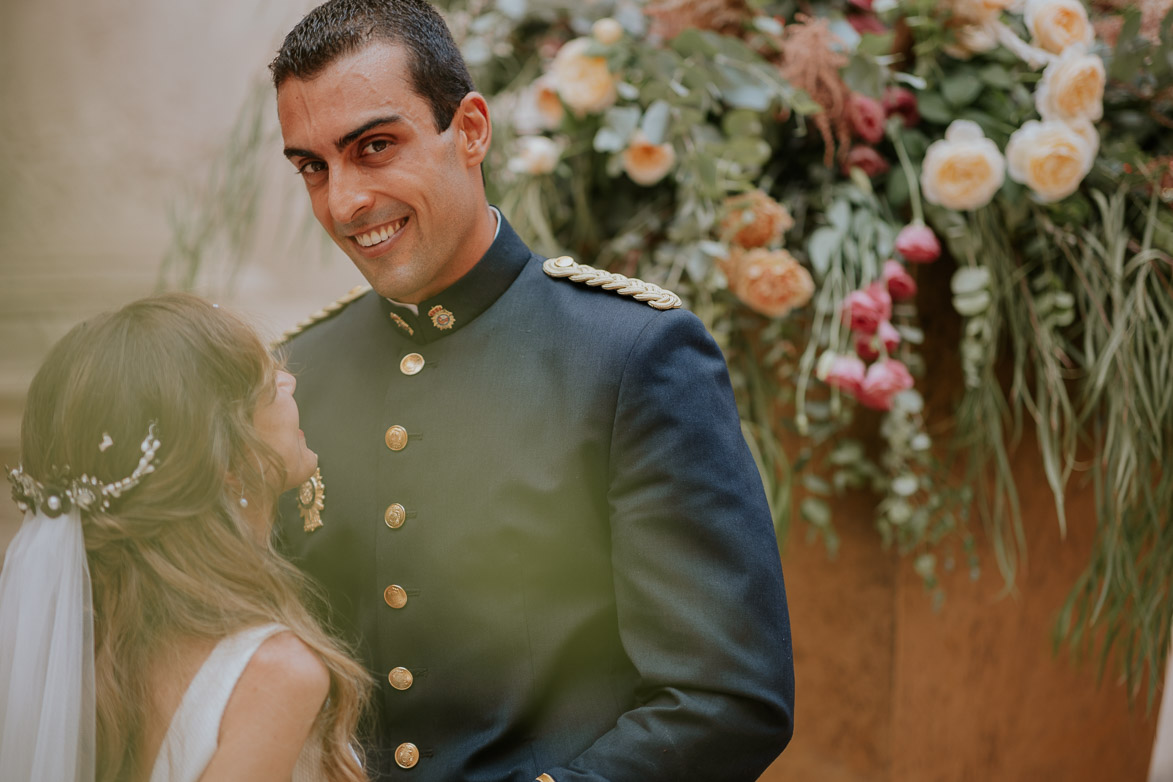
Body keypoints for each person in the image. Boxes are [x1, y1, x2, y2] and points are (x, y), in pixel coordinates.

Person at [270, 1, 795, 780]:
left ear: (472, 130)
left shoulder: (632, 353)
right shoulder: (296, 375)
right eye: (313, 166)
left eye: (374, 147)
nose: (342, 202)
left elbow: (726, 698)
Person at [0, 293, 371, 782]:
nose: (290, 380)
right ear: (229, 463)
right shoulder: (273, 676)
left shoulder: (71, 664)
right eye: (266, 387)